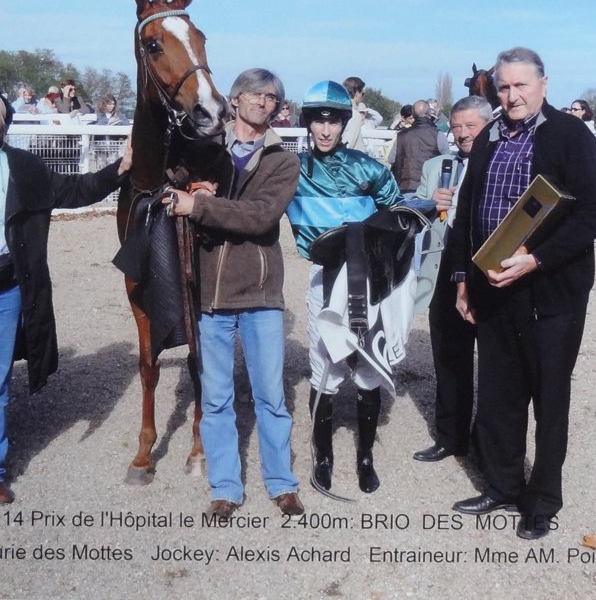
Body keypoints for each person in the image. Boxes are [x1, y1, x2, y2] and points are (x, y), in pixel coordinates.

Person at [0, 81, 131, 509]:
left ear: (4, 123)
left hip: (5, 293)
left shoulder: (23, 166)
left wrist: (121, 167)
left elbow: (75, 190)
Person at [447, 47, 596, 540]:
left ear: (543, 84)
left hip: (550, 293)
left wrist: (536, 259)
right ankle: (502, 485)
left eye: (521, 85)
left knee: (549, 397)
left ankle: (541, 501)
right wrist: (462, 279)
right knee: (499, 394)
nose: (512, 95)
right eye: (504, 86)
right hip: (493, 287)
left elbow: (594, 215)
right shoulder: (488, 138)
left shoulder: (571, 136)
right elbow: (466, 212)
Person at [165, 68, 304, 520]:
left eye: (273, 98)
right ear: (235, 98)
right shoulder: (205, 149)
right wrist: (187, 186)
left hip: (261, 292)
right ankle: (225, 487)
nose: (264, 102)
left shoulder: (283, 161)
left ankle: (281, 483)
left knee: (271, 396)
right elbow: (170, 179)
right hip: (210, 292)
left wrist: (200, 204)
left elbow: (259, 216)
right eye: (256, 94)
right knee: (216, 398)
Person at [285, 80, 401, 494]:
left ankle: (365, 456)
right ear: (308, 123)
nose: (325, 130)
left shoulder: (368, 168)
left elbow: (398, 215)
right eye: (318, 121)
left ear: (343, 123)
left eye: (333, 121)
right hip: (323, 275)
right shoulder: (293, 169)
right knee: (325, 365)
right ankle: (324, 455)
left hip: (366, 277)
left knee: (368, 365)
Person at [412, 95, 492, 463]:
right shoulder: (435, 166)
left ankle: (487, 443)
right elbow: (411, 214)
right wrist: (429, 204)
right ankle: (450, 436)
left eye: (470, 126)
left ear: (488, 126)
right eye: (456, 127)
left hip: (486, 270)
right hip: (442, 270)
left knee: (493, 363)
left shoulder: (499, 164)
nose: (462, 134)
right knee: (449, 357)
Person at [391, 99, 440, 194]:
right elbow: (447, 159)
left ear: (413, 114)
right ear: (429, 113)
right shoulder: (438, 134)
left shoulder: (401, 135)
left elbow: (391, 159)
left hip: (406, 186)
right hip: (430, 188)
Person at [341, 76, 365, 149]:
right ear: (357, 93)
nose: (362, 97)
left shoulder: (339, 110)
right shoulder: (354, 115)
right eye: (362, 94)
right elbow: (348, 145)